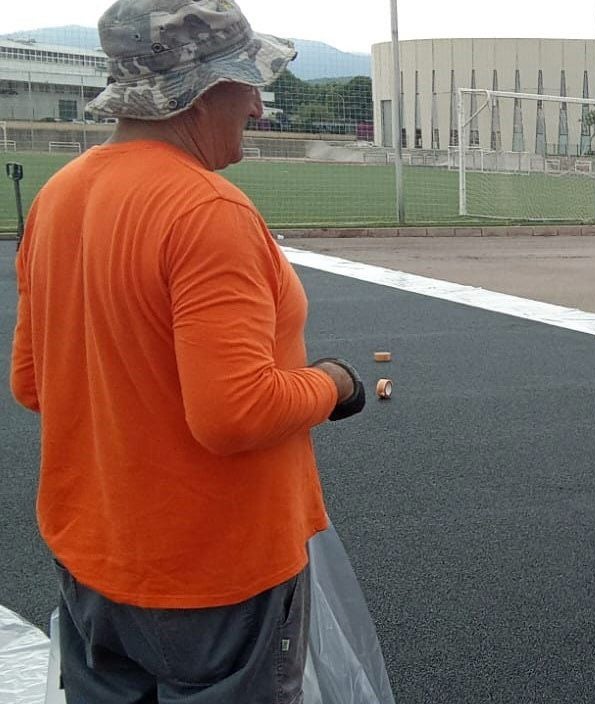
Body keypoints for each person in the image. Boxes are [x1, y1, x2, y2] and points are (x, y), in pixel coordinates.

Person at [8, 0, 367, 700]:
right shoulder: (207, 211)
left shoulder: (59, 196)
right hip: (214, 573)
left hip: (95, 558)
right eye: (248, 83)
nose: (257, 107)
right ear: (203, 91)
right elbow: (233, 414)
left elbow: (31, 383)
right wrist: (334, 383)